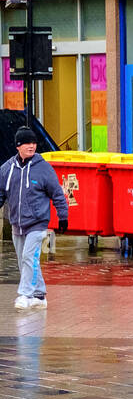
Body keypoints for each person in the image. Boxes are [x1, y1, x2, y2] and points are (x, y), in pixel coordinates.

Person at [0, 128, 68, 310]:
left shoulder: (43, 168)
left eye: (33, 143)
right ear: (18, 146)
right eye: (27, 143)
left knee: (29, 256)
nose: (31, 146)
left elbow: (57, 193)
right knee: (25, 259)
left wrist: (63, 216)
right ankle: (39, 294)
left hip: (38, 223)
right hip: (17, 223)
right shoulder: (7, 168)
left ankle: (24, 294)